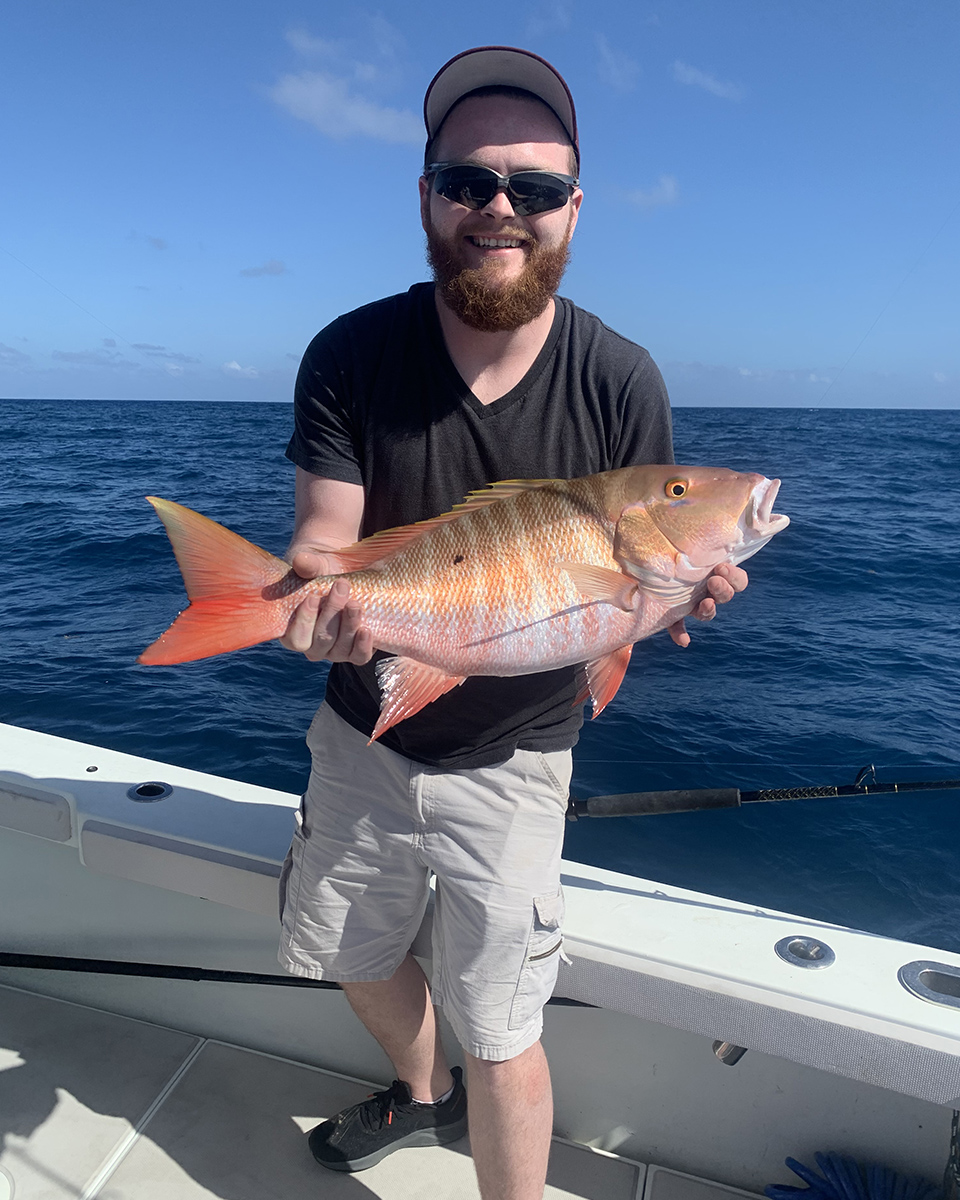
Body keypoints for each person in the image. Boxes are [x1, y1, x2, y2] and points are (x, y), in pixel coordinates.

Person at [277, 46, 747, 1199]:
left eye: (533, 188)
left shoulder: (620, 378)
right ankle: (417, 1095)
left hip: (522, 763)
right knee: (348, 950)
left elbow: (635, 568)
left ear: (575, 210)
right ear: (427, 196)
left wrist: (674, 594)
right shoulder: (349, 354)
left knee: (503, 1027)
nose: (500, 208)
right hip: (363, 732)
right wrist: (307, 593)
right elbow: (325, 543)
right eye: (469, 180)